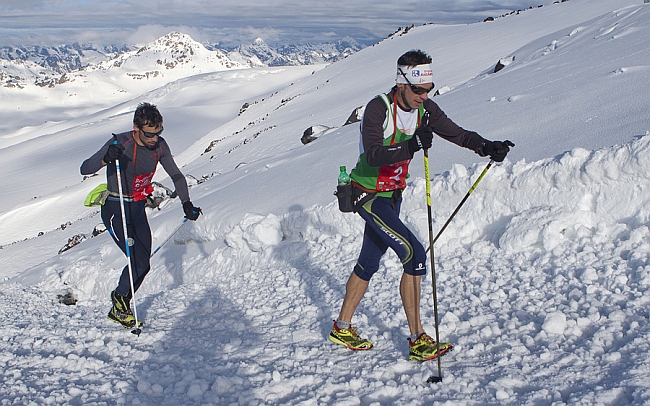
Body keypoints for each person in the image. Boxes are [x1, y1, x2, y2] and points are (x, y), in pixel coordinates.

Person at [329, 50, 513, 361]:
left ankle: (342, 327)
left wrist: (485, 146)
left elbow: (455, 132)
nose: (423, 95)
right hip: (368, 194)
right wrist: (412, 144)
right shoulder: (379, 109)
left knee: (369, 262)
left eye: (428, 89)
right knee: (414, 253)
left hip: (393, 195)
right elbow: (373, 154)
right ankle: (418, 339)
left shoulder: (425, 109)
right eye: (418, 90)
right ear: (401, 83)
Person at [80, 102, 201, 329]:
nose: (154, 139)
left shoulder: (159, 146)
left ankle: (121, 303)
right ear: (136, 128)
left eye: (158, 133)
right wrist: (107, 157)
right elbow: (85, 168)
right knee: (135, 260)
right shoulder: (120, 143)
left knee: (143, 264)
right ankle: (119, 302)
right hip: (116, 210)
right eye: (149, 134)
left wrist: (186, 203)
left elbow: (176, 175)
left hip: (136, 208)